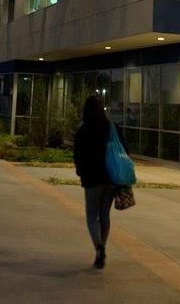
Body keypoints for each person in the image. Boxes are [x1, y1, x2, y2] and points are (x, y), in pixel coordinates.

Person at [73, 93, 123, 269]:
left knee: (91, 215)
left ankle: (99, 247)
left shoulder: (83, 129)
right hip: (110, 177)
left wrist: (80, 171)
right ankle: (102, 246)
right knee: (104, 215)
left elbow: (77, 154)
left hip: (91, 178)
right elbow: (122, 150)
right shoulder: (112, 127)